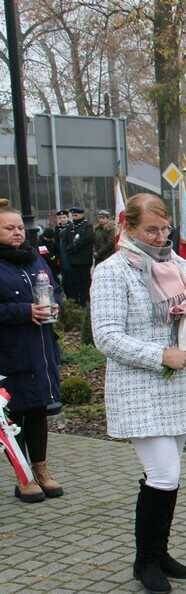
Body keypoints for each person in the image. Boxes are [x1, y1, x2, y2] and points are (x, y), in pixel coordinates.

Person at [91, 193, 186, 594]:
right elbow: (106, 336)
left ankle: (159, 552)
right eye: (149, 230)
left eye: (163, 228)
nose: (158, 236)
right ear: (128, 228)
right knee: (164, 474)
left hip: (180, 382)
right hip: (139, 383)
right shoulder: (112, 271)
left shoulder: (180, 265)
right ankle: (144, 561)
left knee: (168, 477)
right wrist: (159, 356)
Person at [0, 200, 64, 503]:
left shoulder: (33, 259)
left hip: (40, 349)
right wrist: (23, 311)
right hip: (9, 352)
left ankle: (41, 470)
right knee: (16, 415)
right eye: (9, 228)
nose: (17, 233)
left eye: (19, 228)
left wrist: (54, 305)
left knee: (38, 409)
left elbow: (56, 289)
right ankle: (22, 476)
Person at [63, 206, 94, 304]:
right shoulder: (71, 226)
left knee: (85, 282)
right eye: (73, 215)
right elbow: (67, 239)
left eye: (76, 215)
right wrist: (68, 248)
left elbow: (87, 239)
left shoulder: (87, 226)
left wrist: (73, 246)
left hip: (84, 260)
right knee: (75, 283)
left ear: (82, 214)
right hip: (73, 260)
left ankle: (86, 301)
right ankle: (77, 301)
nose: (74, 217)